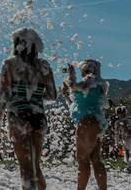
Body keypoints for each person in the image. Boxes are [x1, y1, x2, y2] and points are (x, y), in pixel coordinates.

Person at [0, 28, 57, 190]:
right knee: (36, 168)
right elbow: (52, 95)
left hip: (19, 117)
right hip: (39, 118)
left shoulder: (10, 64)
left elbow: (2, 96)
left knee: (26, 169)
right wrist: (33, 93)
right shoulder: (44, 66)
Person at [62, 59, 108, 189]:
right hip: (97, 122)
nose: (80, 72)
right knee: (96, 159)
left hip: (86, 122)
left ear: (86, 70)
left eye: (81, 70)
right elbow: (77, 107)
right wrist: (65, 95)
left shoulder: (90, 79)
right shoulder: (98, 83)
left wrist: (71, 73)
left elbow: (74, 87)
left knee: (83, 160)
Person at [114, 106, 131, 173]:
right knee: (127, 151)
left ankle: (129, 166)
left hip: (126, 137)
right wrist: (117, 140)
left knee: (127, 151)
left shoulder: (119, 122)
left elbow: (116, 132)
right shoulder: (128, 119)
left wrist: (116, 140)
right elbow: (116, 132)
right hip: (126, 137)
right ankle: (128, 165)